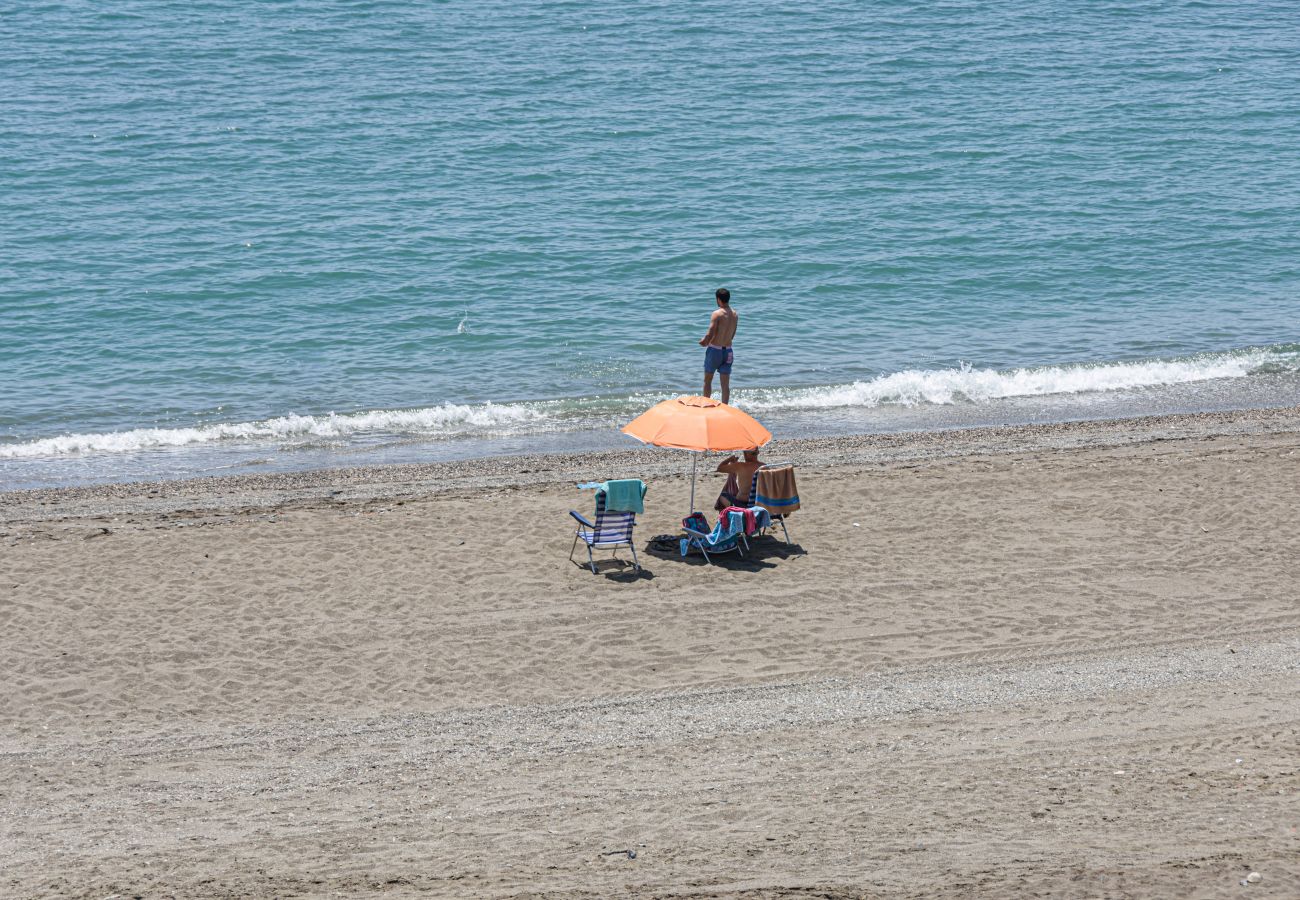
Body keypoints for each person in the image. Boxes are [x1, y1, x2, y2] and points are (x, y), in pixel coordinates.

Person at [699, 287, 738, 404]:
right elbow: (733, 335)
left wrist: (704, 341)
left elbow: (710, 332)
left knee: (708, 380)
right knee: (725, 384)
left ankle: (706, 404)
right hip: (728, 351)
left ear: (718, 299)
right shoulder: (735, 314)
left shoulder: (717, 314)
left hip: (715, 351)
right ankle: (725, 407)